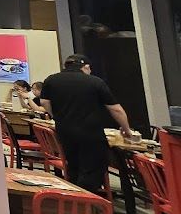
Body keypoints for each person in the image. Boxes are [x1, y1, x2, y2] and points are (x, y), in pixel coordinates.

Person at [40, 54, 135, 194]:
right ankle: (86, 202)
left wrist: (57, 116)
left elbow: (44, 102)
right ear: (86, 67)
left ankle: (74, 200)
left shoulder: (51, 80)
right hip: (90, 133)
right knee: (92, 169)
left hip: (64, 131)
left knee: (73, 166)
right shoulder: (95, 82)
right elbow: (115, 108)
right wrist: (126, 129)